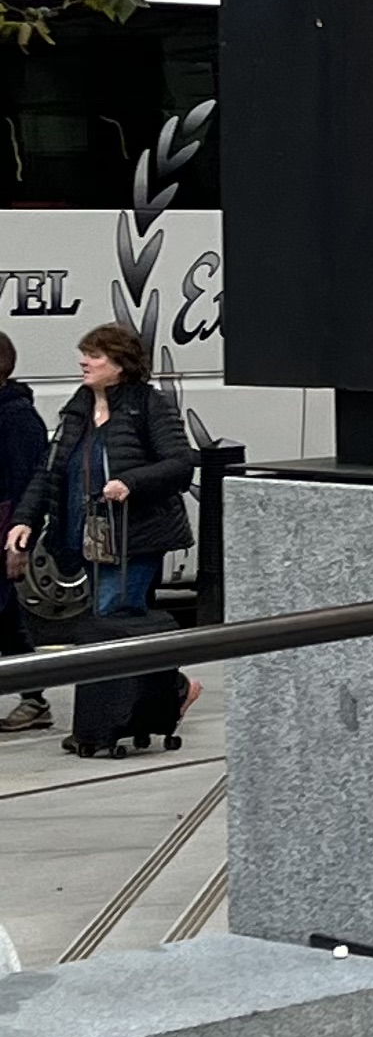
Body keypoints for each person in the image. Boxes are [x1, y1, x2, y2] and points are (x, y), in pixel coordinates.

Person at [8, 323, 194, 755]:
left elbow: (180, 463)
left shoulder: (147, 405)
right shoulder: (78, 407)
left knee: (112, 614)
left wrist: (131, 482)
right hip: (88, 537)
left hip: (136, 537)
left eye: (94, 355)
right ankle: (167, 692)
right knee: (112, 622)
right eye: (85, 354)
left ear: (121, 364)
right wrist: (25, 520)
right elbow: (49, 471)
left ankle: (102, 723)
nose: (84, 362)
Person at [0, 335, 50, 735]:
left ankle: (34, 697)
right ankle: (34, 697)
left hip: (2, 529)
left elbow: (27, 485)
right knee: (7, 619)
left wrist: (19, 544)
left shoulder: (17, 417)